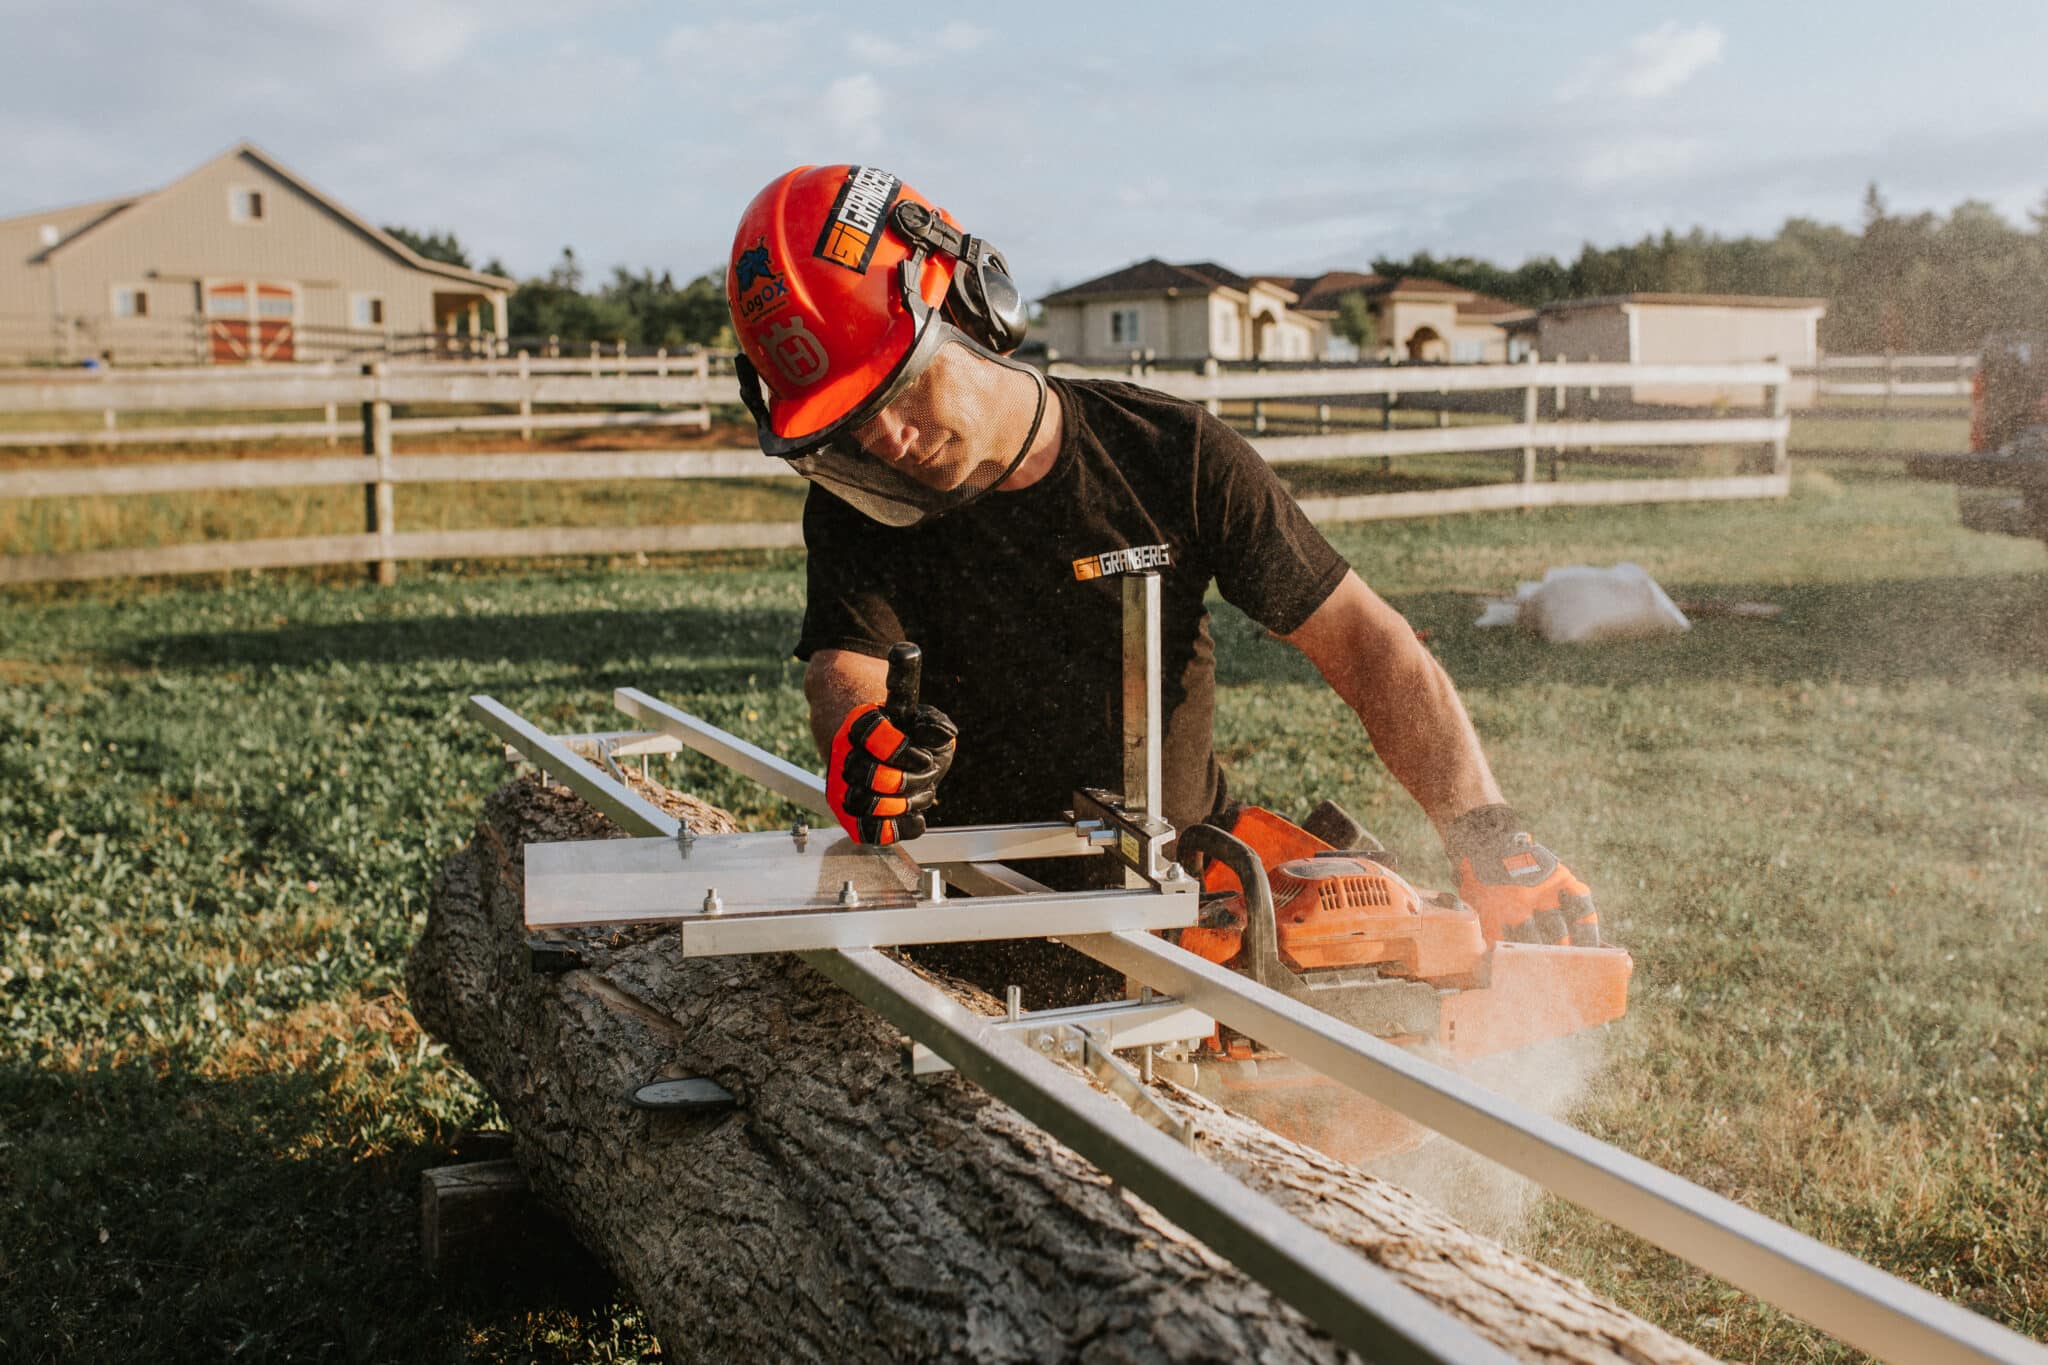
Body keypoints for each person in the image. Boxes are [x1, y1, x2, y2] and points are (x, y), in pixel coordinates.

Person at [724, 164, 1598, 963]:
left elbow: (1368, 646)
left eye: (896, 389)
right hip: (968, 903)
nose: (889, 440)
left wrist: (1488, 834)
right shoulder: (861, 505)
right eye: (850, 426)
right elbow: (848, 665)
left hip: (1180, 902)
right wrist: (857, 741)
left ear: (967, 302)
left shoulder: (1171, 456)